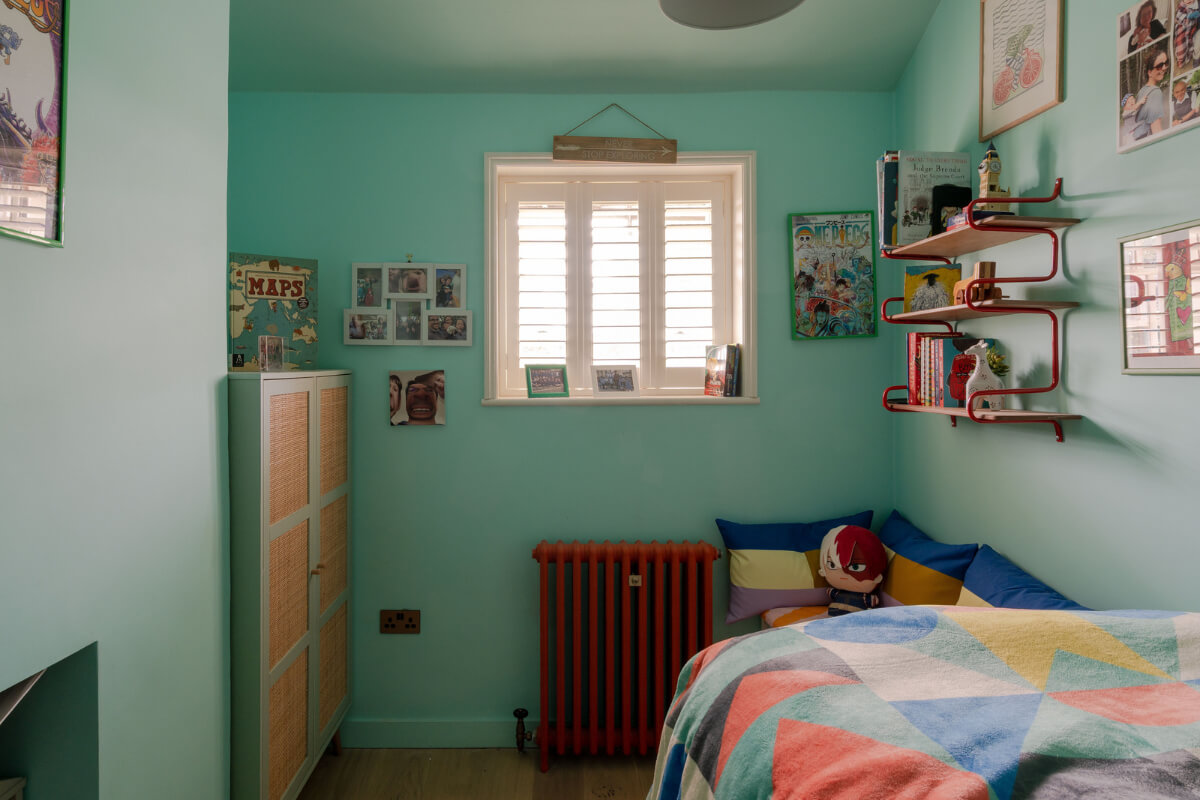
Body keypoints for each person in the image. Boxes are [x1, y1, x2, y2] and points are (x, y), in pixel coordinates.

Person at [1133, 47, 1170, 139]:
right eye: (1159, 66)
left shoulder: (1141, 91)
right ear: (1149, 73)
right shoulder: (1155, 92)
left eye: (1166, 63)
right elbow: (1156, 130)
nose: (1164, 68)